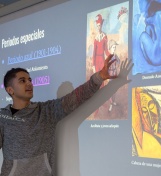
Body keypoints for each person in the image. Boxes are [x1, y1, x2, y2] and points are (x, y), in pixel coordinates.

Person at [0, 54, 133, 176]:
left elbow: (75, 98)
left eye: (29, 80)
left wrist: (99, 77)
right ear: (10, 90)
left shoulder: (46, 111)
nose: (29, 83)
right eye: (22, 81)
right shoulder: (2, 118)